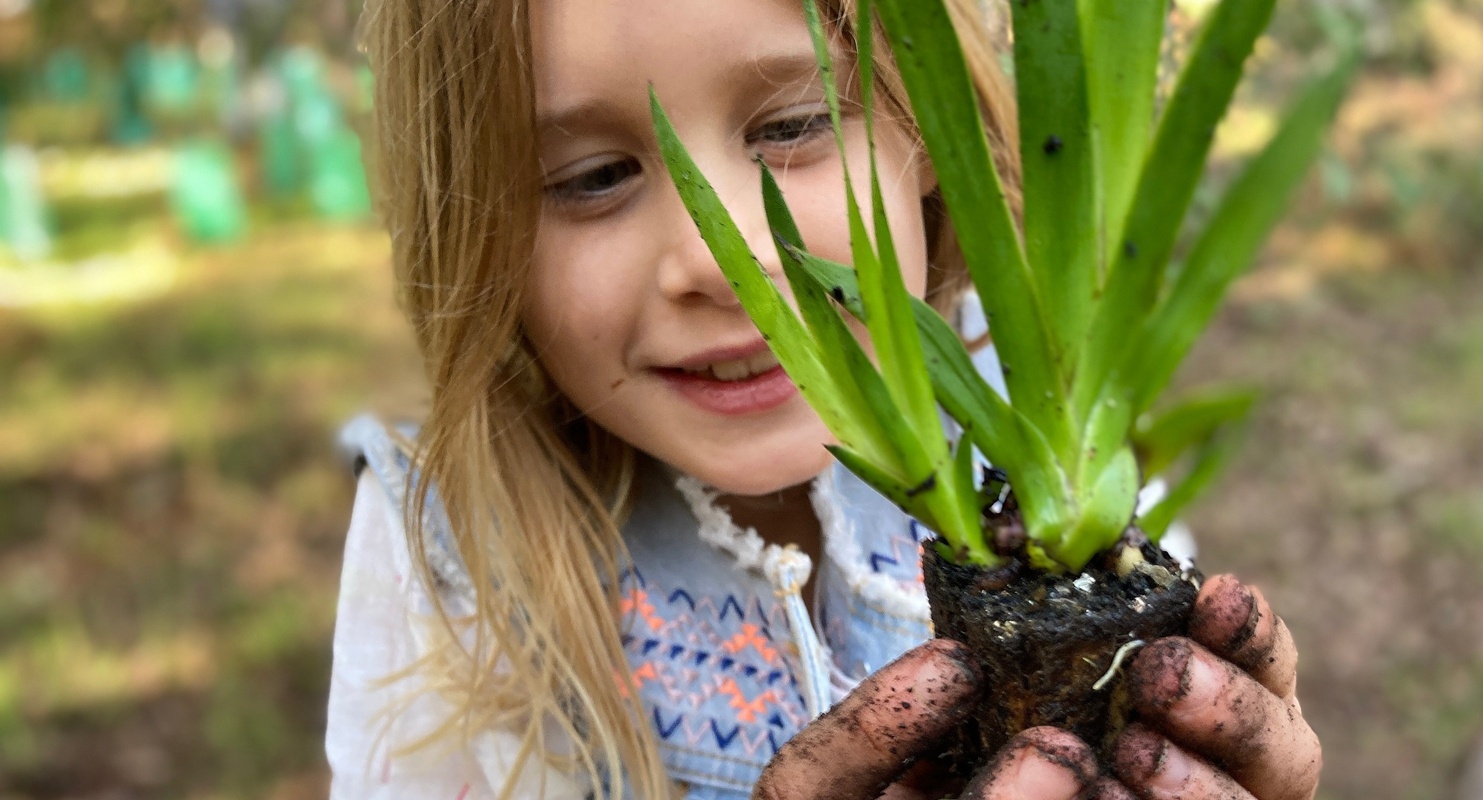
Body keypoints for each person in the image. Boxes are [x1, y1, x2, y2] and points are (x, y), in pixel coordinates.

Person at [327, 0, 1323, 798]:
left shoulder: (1044, 429)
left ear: (928, 126)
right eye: (592, 177)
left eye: (794, 124)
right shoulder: (449, 555)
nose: (725, 260)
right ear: (472, 228)